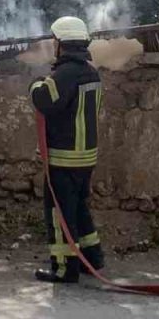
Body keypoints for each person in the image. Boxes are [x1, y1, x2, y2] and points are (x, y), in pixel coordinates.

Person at [29, 16, 106, 283]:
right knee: (79, 208)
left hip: (65, 159)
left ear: (61, 43)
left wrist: (35, 85)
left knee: (59, 212)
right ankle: (92, 258)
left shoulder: (65, 75)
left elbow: (44, 100)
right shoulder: (90, 72)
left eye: (54, 41)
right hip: (86, 158)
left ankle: (64, 268)